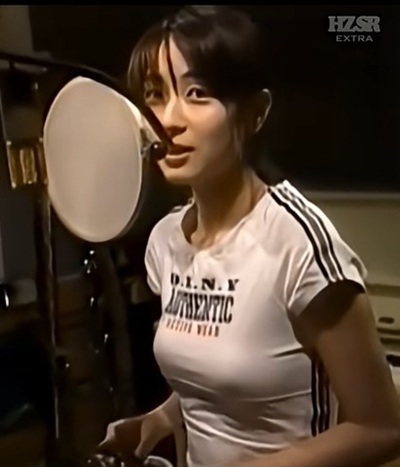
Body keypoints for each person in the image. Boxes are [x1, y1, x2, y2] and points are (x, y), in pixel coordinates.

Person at [98, 5, 400, 467]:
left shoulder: (298, 244)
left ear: (255, 112)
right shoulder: (165, 243)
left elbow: (381, 428)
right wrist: (161, 418)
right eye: (155, 95)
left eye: (197, 93)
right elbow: (220, 380)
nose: (168, 119)